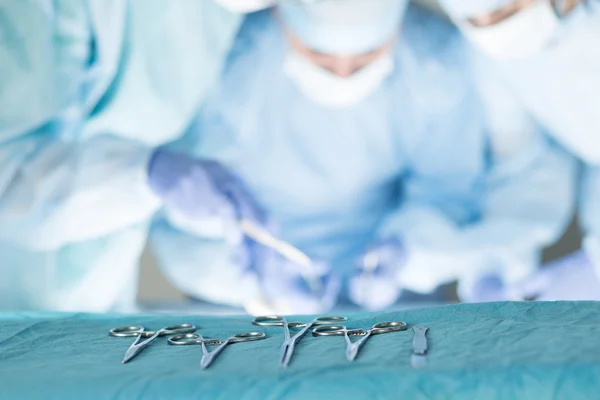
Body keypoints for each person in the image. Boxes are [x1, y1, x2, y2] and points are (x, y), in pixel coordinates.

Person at [149, 0, 576, 314]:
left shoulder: (432, 60)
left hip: (393, 288)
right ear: (283, 19)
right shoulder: (233, 59)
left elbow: (444, 188)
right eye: (320, 57)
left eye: (366, 58)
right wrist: (247, 278)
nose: (342, 74)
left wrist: (409, 250)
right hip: (237, 290)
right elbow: (186, 206)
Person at [0, 0, 271, 311]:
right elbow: (6, 178)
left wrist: (247, 264)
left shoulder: (215, 16)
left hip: (99, 303)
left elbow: (182, 172)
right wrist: (140, 175)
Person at [438, 0, 600, 301]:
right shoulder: (490, 53)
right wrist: (498, 257)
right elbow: (526, 161)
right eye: (474, 21)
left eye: (506, 12)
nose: (494, 30)